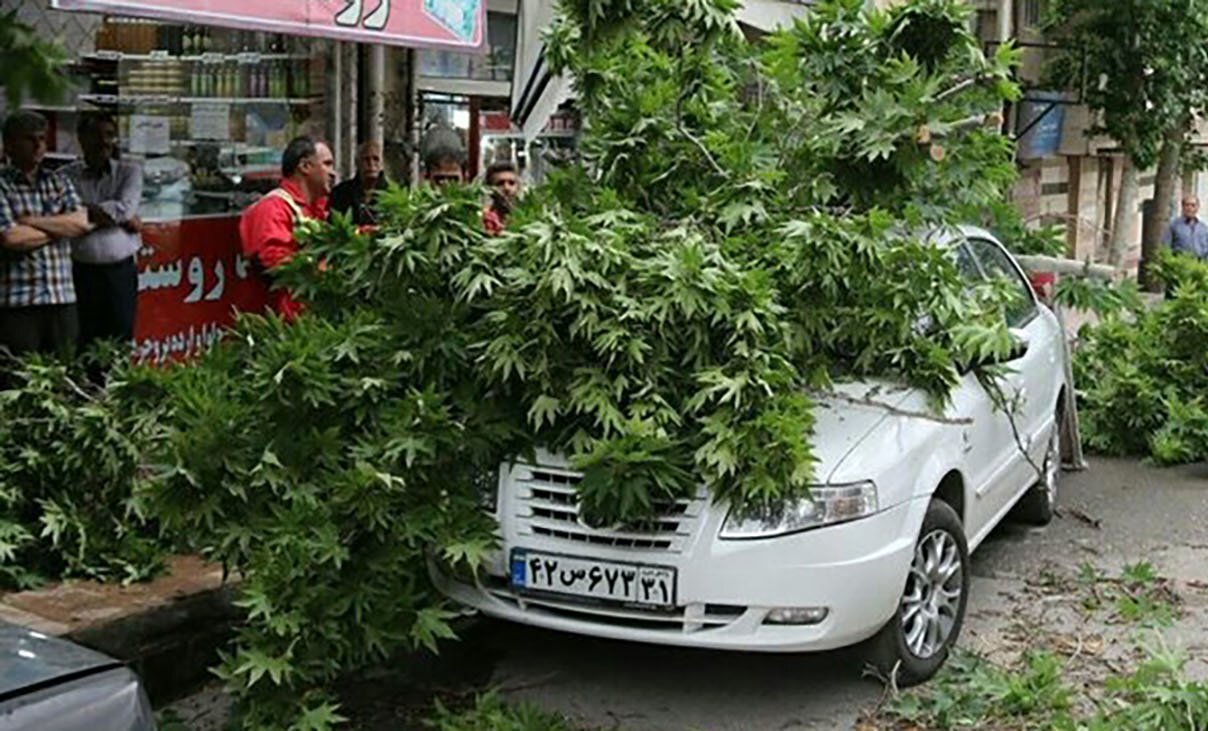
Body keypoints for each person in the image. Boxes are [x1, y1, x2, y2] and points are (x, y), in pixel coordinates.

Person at [0, 111, 91, 358]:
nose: (39, 145)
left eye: (42, 138)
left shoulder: (57, 182)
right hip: (18, 301)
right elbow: (11, 239)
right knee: (20, 380)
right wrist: (59, 228)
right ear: (9, 144)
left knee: (65, 375)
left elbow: (82, 223)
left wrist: (30, 222)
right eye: (30, 139)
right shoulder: (2, 184)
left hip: (61, 296)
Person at [62, 112, 144, 350]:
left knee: (120, 337)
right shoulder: (65, 176)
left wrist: (81, 214)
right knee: (85, 338)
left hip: (120, 272)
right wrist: (114, 214)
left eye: (109, 135)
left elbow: (124, 210)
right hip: (80, 273)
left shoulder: (129, 172)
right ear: (82, 138)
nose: (104, 141)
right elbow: (65, 215)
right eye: (97, 135)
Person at [239, 136, 335, 320]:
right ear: (305, 166)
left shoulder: (313, 210)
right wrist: (324, 268)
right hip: (280, 326)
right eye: (327, 164)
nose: (333, 173)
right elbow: (275, 261)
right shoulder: (273, 208)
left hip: (305, 320)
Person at [329, 140, 389, 226]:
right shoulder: (340, 193)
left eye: (376, 159)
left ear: (382, 164)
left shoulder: (391, 193)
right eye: (366, 159)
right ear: (357, 163)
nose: (371, 164)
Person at [1161, 195, 1208, 260]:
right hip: (1181, 265)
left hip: (1200, 266)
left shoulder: (1203, 228)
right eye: (1187, 205)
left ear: (1197, 208)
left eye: (1193, 205)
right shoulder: (1174, 225)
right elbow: (1165, 247)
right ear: (1182, 207)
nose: (1190, 208)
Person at [483, 160, 520, 235]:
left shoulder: (531, 218)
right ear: (489, 189)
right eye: (500, 183)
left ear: (518, 187)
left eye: (511, 183)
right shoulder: (482, 219)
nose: (507, 188)